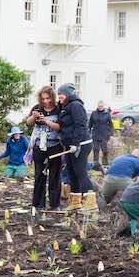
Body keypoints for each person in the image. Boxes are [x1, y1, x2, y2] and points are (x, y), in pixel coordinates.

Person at [57, 83, 98, 213]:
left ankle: (91, 202)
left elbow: (80, 125)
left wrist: (75, 143)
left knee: (81, 172)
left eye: (61, 94)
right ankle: (76, 202)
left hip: (81, 144)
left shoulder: (76, 106)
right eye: (58, 95)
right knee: (72, 173)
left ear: (68, 94)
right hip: (70, 145)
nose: (59, 97)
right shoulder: (65, 107)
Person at [25, 86, 63, 211]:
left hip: (55, 146)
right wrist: (34, 117)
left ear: (52, 97)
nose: (46, 101)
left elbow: (59, 127)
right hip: (39, 146)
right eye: (43, 99)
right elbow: (28, 123)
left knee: (54, 176)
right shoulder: (37, 108)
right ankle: (38, 204)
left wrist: (46, 121)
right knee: (39, 175)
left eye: (48, 98)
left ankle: (54, 204)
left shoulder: (58, 109)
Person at [88, 101, 114, 168]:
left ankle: (105, 164)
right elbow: (90, 124)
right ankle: (95, 165)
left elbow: (111, 125)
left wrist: (111, 134)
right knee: (96, 149)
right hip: (95, 134)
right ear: (97, 106)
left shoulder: (107, 114)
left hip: (104, 134)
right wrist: (88, 132)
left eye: (101, 106)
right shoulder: (93, 113)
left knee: (105, 150)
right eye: (99, 106)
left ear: (103, 106)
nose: (100, 107)